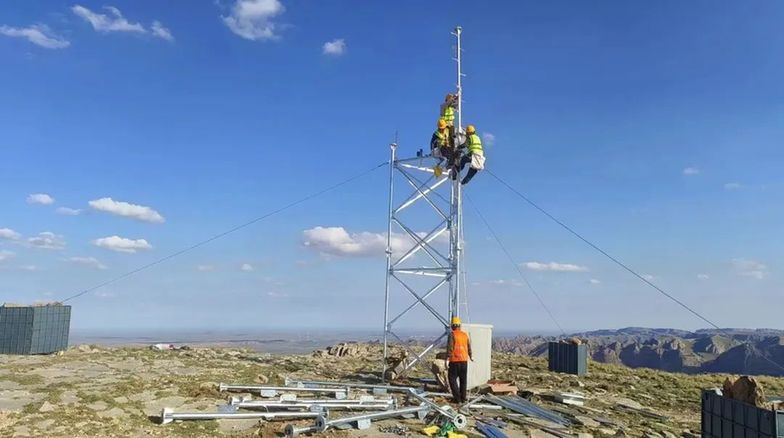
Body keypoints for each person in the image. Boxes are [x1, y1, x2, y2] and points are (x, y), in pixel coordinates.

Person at [446, 316, 472, 403]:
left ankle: (458, 399)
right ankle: (463, 398)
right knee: (463, 380)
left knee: (452, 379)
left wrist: (447, 359)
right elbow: (468, 346)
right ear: (459, 325)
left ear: (452, 325)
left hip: (454, 360)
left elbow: (450, 348)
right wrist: (471, 356)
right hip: (464, 361)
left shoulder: (452, 334)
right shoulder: (464, 335)